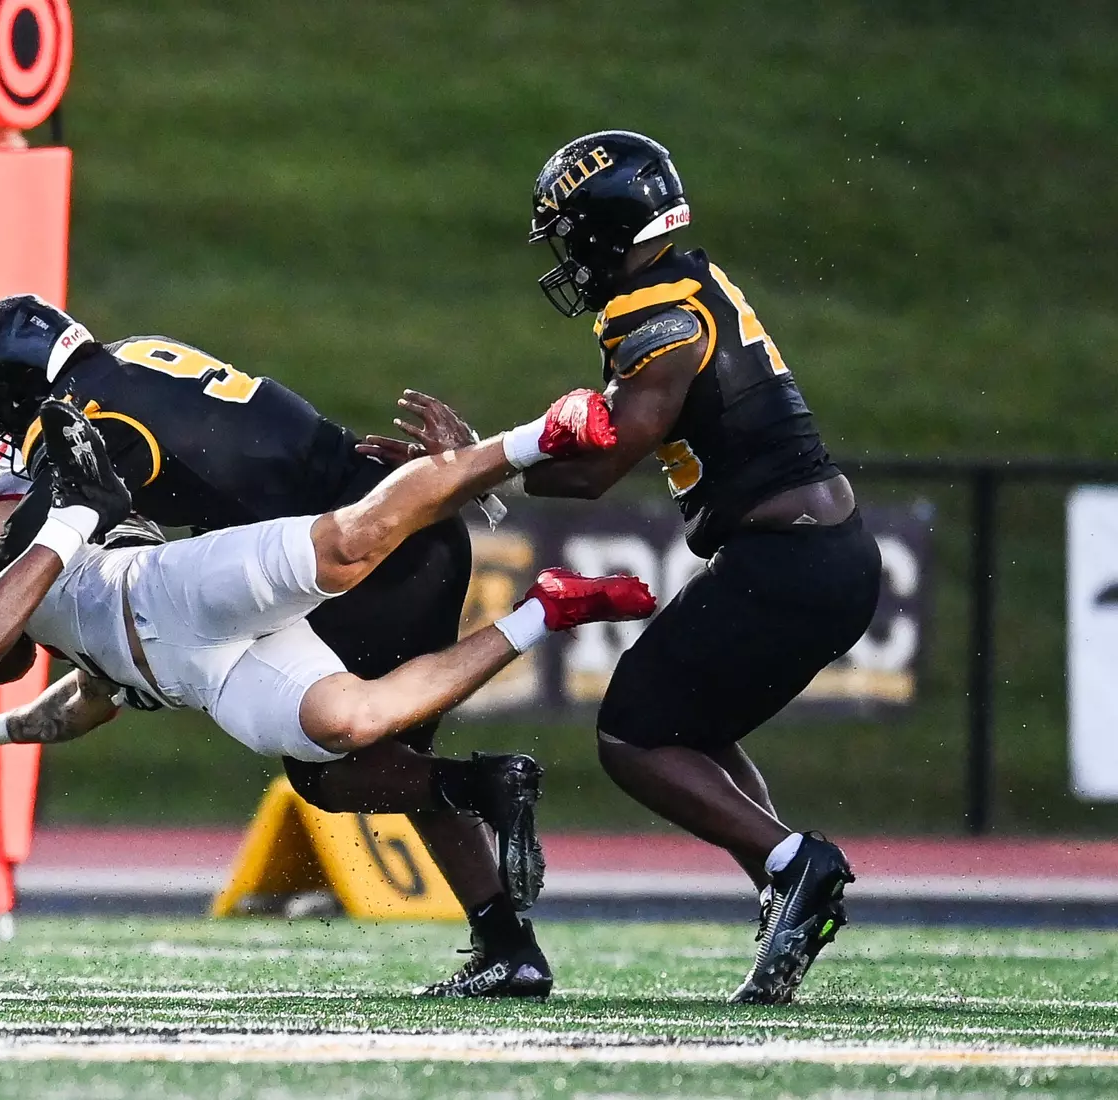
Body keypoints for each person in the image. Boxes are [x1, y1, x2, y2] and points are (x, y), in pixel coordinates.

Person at [0, 400, 653, 997]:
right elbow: (78, 703)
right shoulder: (63, 632)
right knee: (348, 723)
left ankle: (536, 437)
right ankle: (546, 613)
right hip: (217, 670)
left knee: (342, 556)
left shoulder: (26, 523)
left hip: (179, 589)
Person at [376, 131, 882, 1005]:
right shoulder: (686, 280)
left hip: (792, 556)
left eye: (572, 232)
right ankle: (783, 876)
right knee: (687, 727)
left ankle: (793, 863)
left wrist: (473, 465)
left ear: (609, 226)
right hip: (817, 550)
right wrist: (484, 469)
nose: (569, 255)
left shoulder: (651, 311)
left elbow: (604, 462)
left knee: (633, 737)